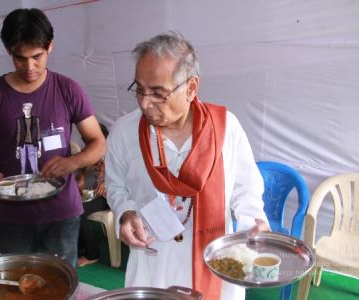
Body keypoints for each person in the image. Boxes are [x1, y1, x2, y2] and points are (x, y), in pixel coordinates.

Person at [105, 32, 270, 299]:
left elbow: (246, 186)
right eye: (139, 90)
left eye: (158, 93)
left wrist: (254, 221)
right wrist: (125, 214)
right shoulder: (124, 132)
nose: (145, 103)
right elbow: (115, 185)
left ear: (191, 88)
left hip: (216, 260)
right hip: (153, 259)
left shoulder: (225, 128)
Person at [0, 8, 105, 267]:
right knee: (19, 281)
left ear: (50, 47)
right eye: (20, 58)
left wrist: (72, 163)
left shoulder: (67, 89)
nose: (29, 67)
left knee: (61, 280)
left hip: (62, 211)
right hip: (13, 213)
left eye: (37, 56)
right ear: (8, 50)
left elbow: (98, 142)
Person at [76, 123, 109, 267]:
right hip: (98, 194)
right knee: (74, 207)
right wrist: (81, 176)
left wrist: (108, 182)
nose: (85, 142)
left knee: (80, 211)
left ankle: (92, 255)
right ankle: (81, 244)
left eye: (88, 139)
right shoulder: (91, 150)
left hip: (112, 197)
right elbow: (82, 162)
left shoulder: (114, 150)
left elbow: (127, 175)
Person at [16, 102, 41, 174]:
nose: (27, 111)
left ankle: (35, 176)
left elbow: (38, 134)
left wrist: (39, 149)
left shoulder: (35, 119)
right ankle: (23, 177)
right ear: (23, 110)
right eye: (25, 109)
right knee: (23, 163)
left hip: (32, 144)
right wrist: (17, 149)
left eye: (28, 109)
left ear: (30, 110)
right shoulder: (19, 120)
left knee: (33, 163)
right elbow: (18, 133)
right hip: (22, 144)